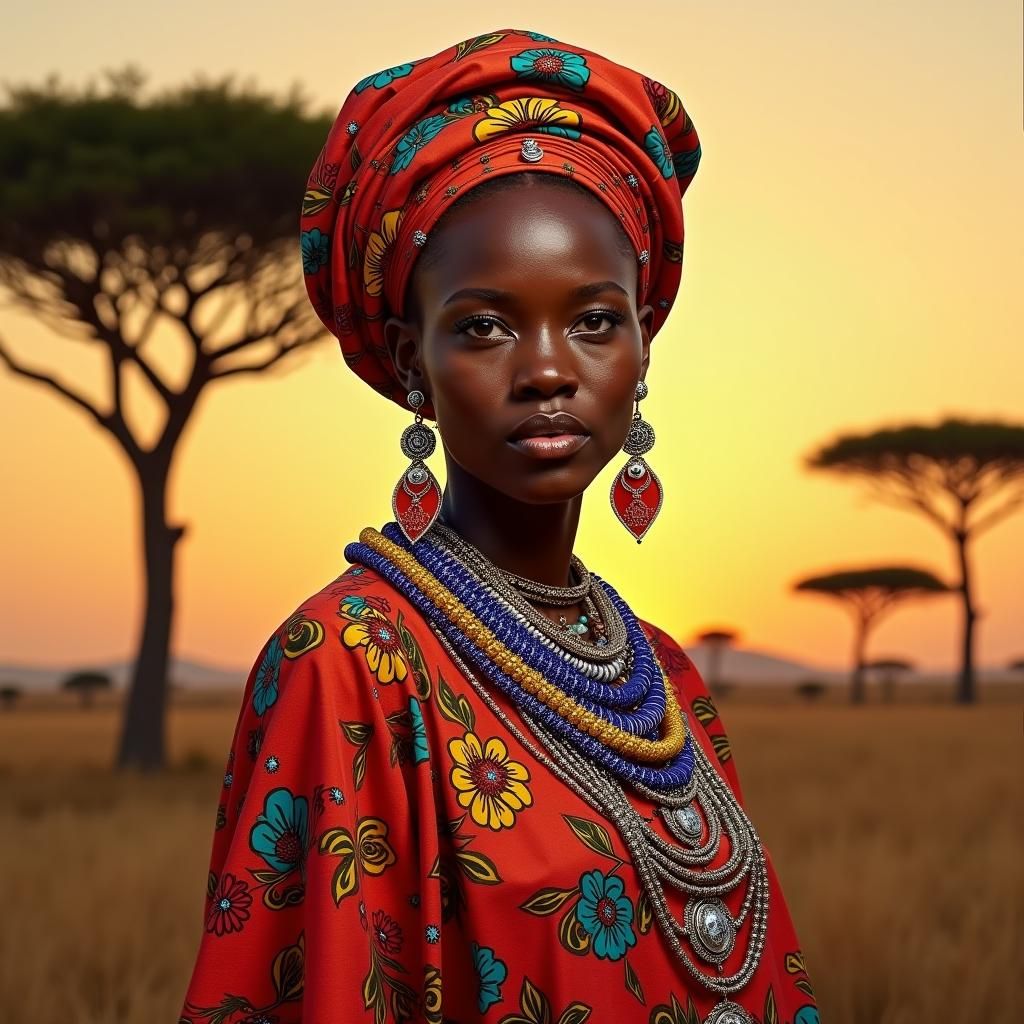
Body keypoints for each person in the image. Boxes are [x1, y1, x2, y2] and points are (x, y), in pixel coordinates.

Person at [178, 28, 820, 1024]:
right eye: (483, 325)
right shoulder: (349, 665)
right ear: (410, 361)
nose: (549, 368)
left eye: (594, 319)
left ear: (642, 343)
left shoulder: (664, 678)